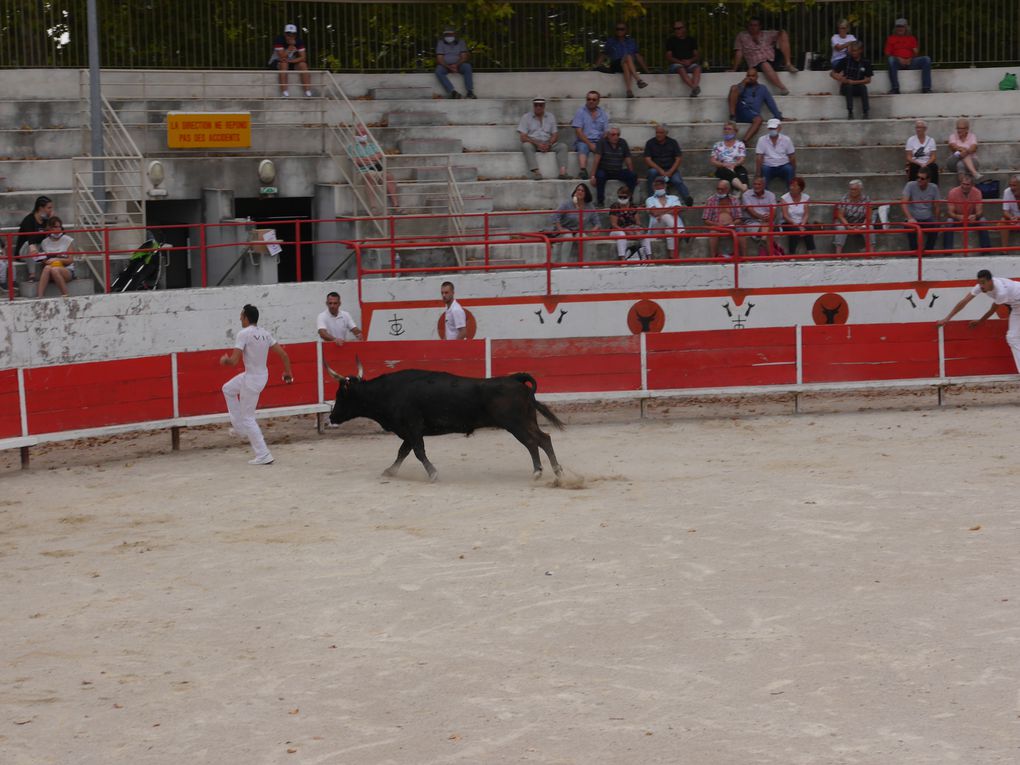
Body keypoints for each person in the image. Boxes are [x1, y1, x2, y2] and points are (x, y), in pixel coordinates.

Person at [220, 304, 294, 466]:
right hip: (260, 376)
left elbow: (234, 361)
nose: (240, 318)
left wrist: (225, 361)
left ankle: (263, 454)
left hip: (252, 379)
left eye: (241, 315)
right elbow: (284, 355)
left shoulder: (243, 334)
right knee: (228, 389)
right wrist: (288, 372)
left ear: (246, 318)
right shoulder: (265, 334)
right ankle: (240, 429)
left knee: (248, 417)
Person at [937, 270, 1020, 372]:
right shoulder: (981, 286)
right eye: (979, 282)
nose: (981, 285)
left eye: (983, 282)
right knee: (1012, 338)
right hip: (1017, 307)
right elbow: (964, 301)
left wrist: (980, 321)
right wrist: (947, 318)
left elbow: (992, 310)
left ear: (990, 281)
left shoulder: (1001, 291)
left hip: (1016, 304)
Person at [730, 16, 797, 95]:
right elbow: (739, 52)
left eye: (755, 25)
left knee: (783, 33)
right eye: (751, 25)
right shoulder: (742, 35)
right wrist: (734, 68)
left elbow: (781, 33)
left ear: (760, 26)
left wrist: (782, 33)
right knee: (763, 62)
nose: (753, 27)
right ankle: (782, 88)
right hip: (756, 63)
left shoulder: (766, 34)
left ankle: (788, 64)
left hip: (772, 58)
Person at [346, 124, 399, 212]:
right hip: (362, 172)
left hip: (376, 169)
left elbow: (379, 156)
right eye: (360, 132)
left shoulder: (373, 145)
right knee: (369, 175)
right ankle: (373, 207)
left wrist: (365, 159)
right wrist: (372, 158)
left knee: (389, 176)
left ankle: (396, 205)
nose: (363, 134)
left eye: (364, 132)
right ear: (356, 133)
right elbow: (357, 162)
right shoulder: (352, 147)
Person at [518, 98, 569, 180]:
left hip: (548, 143)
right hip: (533, 143)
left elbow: (555, 134)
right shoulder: (526, 117)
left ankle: (563, 172)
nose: (538, 107)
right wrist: (537, 144)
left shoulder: (550, 116)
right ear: (533, 106)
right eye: (536, 105)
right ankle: (536, 172)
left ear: (544, 106)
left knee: (563, 146)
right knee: (526, 146)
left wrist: (549, 144)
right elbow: (523, 137)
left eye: (540, 105)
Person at [594, 21, 648, 99]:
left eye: (622, 29)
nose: (619, 31)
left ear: (626, 30)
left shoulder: (631, 41)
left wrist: (647, 71)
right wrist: (596, 66)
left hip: (628, 65)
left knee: (626, 63)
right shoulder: (611, 41)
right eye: (617, 29)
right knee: (628, 56)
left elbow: (638, 56)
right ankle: (638, 80)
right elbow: (603, 54)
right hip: (615, 64)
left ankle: (629, 91)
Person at [728, 69, 783, 143]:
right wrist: (743, 83)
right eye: (748, 76)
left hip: (752, 114)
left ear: (757, 77)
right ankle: (732, 117)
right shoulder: (742, 86)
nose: (750, 78)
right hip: (740, 111)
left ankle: (744, 142)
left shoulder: (762, 88)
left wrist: (778, 116)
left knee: (758, 119)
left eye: (753, 76)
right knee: (734, 87)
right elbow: (735, 92)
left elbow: (770, 103)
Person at [548, 184, 600, 263]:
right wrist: (560, 229)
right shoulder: (567, 204)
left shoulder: (589, 206)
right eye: (578, 190)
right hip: (565, 228)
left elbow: (597, 222)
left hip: (578, 231)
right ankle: (563, 263)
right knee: (568, 237)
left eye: (582, 191)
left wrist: (595, 229)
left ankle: (584, 263)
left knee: (584, 238)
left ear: (586, 194)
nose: (580, 192)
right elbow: (555, 216)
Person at [643, 125, 692, 206]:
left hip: (671, 169)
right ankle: (651, 199)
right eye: (657, 132)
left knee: (677, 181)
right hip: (656, 169)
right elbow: (647, 159)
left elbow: (678, 159)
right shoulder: (650, 143)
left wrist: (670, 171)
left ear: (666, 133)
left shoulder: (673, 142)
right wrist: (660, 170)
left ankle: (687, 198)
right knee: (652, 173)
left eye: (661, 133)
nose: (658, 135)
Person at [944, 173, 992, 252]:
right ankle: (947, 251)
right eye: (963, 184)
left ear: (972, 185)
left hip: (972, 219)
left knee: (983, 220)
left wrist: (975, 216)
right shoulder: (952, 192)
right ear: (960, 183)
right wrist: (957, 216)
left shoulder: (977, 192)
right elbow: (950, 212)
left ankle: (986, 250)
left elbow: (980, 211)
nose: (965, 186)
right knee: (949, 221)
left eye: (967, 184)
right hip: (957, 219)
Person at [590, 125, 636, 207]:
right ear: (608, 135)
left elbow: (628, 160)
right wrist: (592, 175)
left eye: (618, 134)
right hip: (604, 170)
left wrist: (632, 173)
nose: (616, 137)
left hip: (617, 170)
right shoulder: (602, 142)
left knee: (633, 175)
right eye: (613, 134)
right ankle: (600, 202)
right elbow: (596, 159)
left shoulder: (623, 143)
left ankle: (629, 200)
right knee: (600, 176)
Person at [884, 18, 932, 94]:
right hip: (898, 62)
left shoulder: (911, 38)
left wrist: (910, 58)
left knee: (926, 59)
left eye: (902, 26)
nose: (900, 28)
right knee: (891, 60)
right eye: (898, 27)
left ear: (906, 28)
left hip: (911, 61)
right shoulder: (891, 38)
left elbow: (916, 53)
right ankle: (895, 88)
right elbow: (887, 53)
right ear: (895, 28)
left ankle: (926, 88)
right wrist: (898, 58)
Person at [12, 195, 52, 284]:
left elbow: (61, 231)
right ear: (41, 208)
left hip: (39, 249)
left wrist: (52, 221)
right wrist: (32, 246)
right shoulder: (29, 220)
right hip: (25, 251)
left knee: (47, 244)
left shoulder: (46, 220)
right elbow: (30, 238)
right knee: (30, 245)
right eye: (48, 208)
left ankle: (53, 272)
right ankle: (32, 275)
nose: (50, 210)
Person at [900, 169, 942, 252]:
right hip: (913, 218)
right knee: (911, 229)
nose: (919, 180)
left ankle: (928, 253)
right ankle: (915, 254)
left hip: (927, 219)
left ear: (928, 180)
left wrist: (937, 221)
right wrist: (910, 218)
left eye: (922, 178)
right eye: (918, 177)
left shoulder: (934, 187)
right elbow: (903, 203)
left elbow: (937, 206)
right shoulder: (910, 185)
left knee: (935, 230)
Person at [571, 91, 609, 180]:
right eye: (589, 99)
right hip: (584, 140)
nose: (591, 101)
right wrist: (590, 144)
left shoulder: (603, 113)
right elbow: (578, 132)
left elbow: (606, 131)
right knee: (583, 146)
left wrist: (599, 143)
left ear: (598, 101)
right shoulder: (580, 112)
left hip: (599, 141)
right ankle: (583, 170)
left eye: (594, 99)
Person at [830, 41, 872, 120]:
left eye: (855, 50)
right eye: (852, 50)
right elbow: (832, 73)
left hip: (858, 85)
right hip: (846, 86)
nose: (853, 53)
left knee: (863, 87)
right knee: (849, 87)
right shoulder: (846, 60)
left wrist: (854, 82)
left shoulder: (866, 62)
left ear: (860, 50)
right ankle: (850, 112)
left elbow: (868, 80)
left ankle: (866, 112)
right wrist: (841, 79)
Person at [35, 216, 75, 298]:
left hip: (66, 269)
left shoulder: (68, 240)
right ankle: (40, 296)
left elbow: (70, 260)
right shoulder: (45, 242)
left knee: (54, 270)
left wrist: (57, 259)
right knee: (47, 268)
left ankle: (66, 295)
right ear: (50, 228)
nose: (58, 229)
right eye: (55, 227)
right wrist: (46, 261)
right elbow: (43, 260)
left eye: (59, 226)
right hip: (50, 267)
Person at [645, 176, 683, 258]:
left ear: (665, 186)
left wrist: (661, 213)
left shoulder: (674, 198)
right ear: (653, 187)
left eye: (661, 185)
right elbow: (654, 212)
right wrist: (669, 210)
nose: (659, 187)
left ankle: (672, 257)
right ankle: (681, 232)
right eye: (657, 185)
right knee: (666, 216)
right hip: (657, 227)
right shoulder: (649, 200)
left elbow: (678, 209)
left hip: (671, 227)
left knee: (669, 231)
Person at [832, 179, 875, 254]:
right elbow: (840, 216)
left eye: (855, 189)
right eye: (851, 189)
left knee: (870, 227)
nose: (852, 191)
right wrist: (848, 226)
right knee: (841, 228)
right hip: (845, 222)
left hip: (861, 222)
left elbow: (869, 216)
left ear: (860, 189)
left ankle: (871, 253)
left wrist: (862, 226)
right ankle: (838, 254)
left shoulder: (866, 199)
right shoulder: (844, 199)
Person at [702, 179, 742, 258]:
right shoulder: (711, 200)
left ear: (728, 190)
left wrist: (732, 224)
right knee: (713, 232)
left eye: (722, 189)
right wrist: (717, 224)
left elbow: (739, 218)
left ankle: (744, 257)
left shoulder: (735, 200)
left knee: (741, 231)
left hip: (732, 226)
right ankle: (713, 257)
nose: (719, 191)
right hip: (716, 226)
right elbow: (705, 220)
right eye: (718, 189)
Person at [269, 24, 311, 97]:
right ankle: (284, 91)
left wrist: (290, 61)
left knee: (303, 64)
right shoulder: (279, 39)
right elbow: (282, 56)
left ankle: (307, 91)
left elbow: (303, 57)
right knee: (284, 64)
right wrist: (290, 47)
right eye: (288, 34)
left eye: (293, 34)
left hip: (290, 61)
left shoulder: (299, 41)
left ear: (295, 35)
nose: (291, 36)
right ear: (285, 34)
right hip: (277, 61)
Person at [609, 186, 650, 260]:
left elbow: (638, 223)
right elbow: (614, 224)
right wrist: (626, 231)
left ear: (629, 196)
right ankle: (622, 260)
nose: (621, 199)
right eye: (620, 196)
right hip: (617, 230)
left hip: (631, 230)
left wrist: (636, 230)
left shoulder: (633, 206)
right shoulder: (614, 206)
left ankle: (649, 258)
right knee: (621, 234)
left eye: (624, 197)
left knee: (645, 235)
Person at [754, 118, 795, 192]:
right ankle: (765, 196)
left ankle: (791, 194)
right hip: (768, 165)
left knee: (789, 170)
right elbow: (759, 157)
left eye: (774, 128)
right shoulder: (762, 140)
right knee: (764, 177)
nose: (772, 130)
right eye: (770, 128)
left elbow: (791, 156)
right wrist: (758, 173)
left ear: (779, 128)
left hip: (783, 165)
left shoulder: (786, 139)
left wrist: (794, 170)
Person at [740, 176, 777, 256]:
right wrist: (761, 217)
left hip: (768, 220)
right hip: (752, 221)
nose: (756, 186)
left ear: (764, 185)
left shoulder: (771, 195)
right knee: (767, 232)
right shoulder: (746, 194)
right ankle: (772, 256)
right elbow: (751, 211)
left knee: (767, 226)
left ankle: (763, 240)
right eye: (754, 184)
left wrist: (768, 217)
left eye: (759, 184)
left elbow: (773, 212)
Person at [710, 121, 750, 193]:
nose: (726, 131)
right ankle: (744, 190)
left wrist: (734, 165)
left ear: (735, 131)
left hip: (736, 166)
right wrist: (724, 165)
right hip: (722, 167)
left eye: (729, 129)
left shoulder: (740, 144)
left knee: (742, 172)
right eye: (725, 129)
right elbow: (713, 160)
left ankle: (742, 192)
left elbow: (742, 159)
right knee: (726, 172)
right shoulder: (717, 145)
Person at [435, 27, 475, 99]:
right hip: (445, 66)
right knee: (438, 71)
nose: (448, 36)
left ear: (455, 34)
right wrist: (449, 67)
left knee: (467, 67)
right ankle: (452, 92)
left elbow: (464, 57)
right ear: (444, 35)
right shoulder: (440, 43)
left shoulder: (461, 42)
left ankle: (470, 92)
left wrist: (456, 65)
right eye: (447, 35)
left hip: (459, 65)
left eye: (450, 34)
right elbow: (439, 59)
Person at [665, 20, 701, 97]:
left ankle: (694, 89)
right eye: (675, 29)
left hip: (689, 63)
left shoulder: (691, 40)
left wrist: (690, 61)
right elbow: (669, 57)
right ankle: (694, 87)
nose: (677, 30)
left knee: (697, 68)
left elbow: (697, 55)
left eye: (679, 28)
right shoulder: (671, 41)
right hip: (676, 65)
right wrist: (681, 62)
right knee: (680, 68)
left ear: (684, 29)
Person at [779, 176, 815, 254]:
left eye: (794, 186)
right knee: (794, 231)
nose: (791, 187)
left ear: (800, 188)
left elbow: (806, 214)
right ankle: (792, 254)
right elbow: (785, 216)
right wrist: (797, 226)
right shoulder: (784, 198)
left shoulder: (806, 197)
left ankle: (810, 253)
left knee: (809, 229)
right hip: (788, 222)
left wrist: (802, 225)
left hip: (801, 222)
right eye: (791, 185)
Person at [905, 119, 938, 186]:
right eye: (917, 127)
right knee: (913, 167)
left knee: (934, 167)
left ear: (925, 129)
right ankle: (912, 188)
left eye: (920, 127)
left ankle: (934, 188)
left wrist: (925, 164)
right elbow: (908, 157)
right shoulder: (911, 140)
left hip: (927, 162)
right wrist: (919, 163)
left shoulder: (931, 140)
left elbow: (933, 156)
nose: (918, 129)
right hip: (916, 162)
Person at [999, 175, 1019, 251]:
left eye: (1014, 185)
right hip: (1013, 220)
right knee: (1003, 221)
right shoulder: (1007, 191)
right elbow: (1005, 211)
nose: (1012, 188)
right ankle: (1004, 251)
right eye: (1010, 185)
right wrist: (1011, 217)